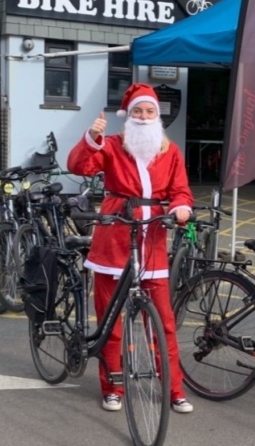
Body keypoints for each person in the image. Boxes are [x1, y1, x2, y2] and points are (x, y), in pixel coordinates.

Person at [67, 83, 195, 414]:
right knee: (111, 318)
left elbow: (181, 190)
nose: (143, 116)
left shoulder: (170, 151)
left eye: (149, 111)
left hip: (152, 237)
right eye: (137, 111)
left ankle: (174, 389)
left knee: (163, 320)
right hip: (114, 235)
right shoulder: (111, 145)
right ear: (128, 115)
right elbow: (79, 167)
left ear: (158, 116)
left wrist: (181, 207)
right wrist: (91, 138)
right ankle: (113, 386)